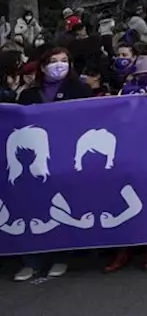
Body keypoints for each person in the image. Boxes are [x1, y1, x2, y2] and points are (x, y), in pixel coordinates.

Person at [14, 48, 89, 280]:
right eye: (54, 61)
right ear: (43, 66)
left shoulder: (80, 89)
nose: (60, 65)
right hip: (35, 162)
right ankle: (32, 260)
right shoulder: (29, 94)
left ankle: (61, 256)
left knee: (62, 206)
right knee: (31, 207)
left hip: (66, 157)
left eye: (64, 61)